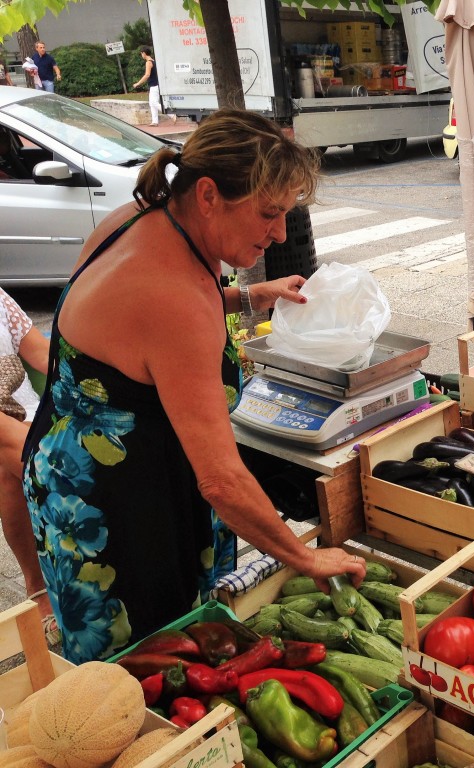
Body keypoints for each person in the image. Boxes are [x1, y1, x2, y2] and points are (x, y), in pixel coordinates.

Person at [21, 109, 367, 664]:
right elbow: (223, 481)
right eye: (269, 213)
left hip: (72, 470)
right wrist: (305, 558)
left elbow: (124, 323)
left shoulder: (135, 219)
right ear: (209, 195)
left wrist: (247, 295)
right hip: (114, 511)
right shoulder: (174, 301)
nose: (279, 233)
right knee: (147, 669)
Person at [0, 290, 58, 645]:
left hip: (28, 416)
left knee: (10, 470)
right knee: (24, 461)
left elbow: (42, 354)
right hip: (10, 429)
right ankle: (42, 585)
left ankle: (39, 588)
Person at [131, 46, 174, 128]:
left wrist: (138, 83)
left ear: (144, 53)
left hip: (154, 85)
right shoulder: (153, 61)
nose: (141, 55)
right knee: (152, 103)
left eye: (141, 54)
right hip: (156, 85)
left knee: (154, 103)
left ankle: (172, 115)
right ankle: (155, 121)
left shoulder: (148, 62)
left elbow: (147, 75)